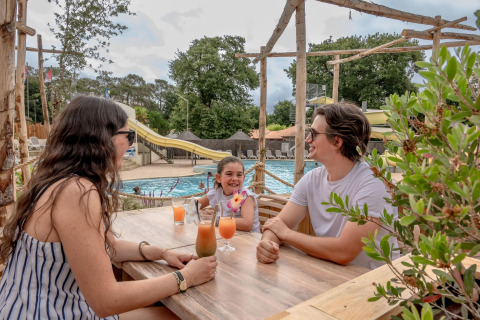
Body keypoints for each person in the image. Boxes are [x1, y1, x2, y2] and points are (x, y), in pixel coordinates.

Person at [0, 96, 217, 320]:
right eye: (129, 136)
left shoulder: (56, 183)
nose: (131, 144)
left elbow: (108, 245)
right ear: (102, 139)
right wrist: (186, 277)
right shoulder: (76, 191)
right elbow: (107, 300)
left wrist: (161, 253)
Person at [256, 103, 399, 269]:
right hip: (330, 275)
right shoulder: (312, 180)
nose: (308, 139)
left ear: (337, 141)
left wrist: (286, 234)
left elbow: (344, 252)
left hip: (374, 285)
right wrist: (267, 244)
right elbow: (277, 225)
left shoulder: (373, 184)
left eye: (314, 134)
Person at [198, 156, 260, 233]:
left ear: (243, 178)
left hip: (248, 240)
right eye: (229, 174)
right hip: (227, 236)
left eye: (239, 175)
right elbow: (194, 206)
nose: (235, 178)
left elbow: (247, 224)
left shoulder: (246, 196)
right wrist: (202, 213)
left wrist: (215, 219)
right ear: (218, 178)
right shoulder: (216, 192)